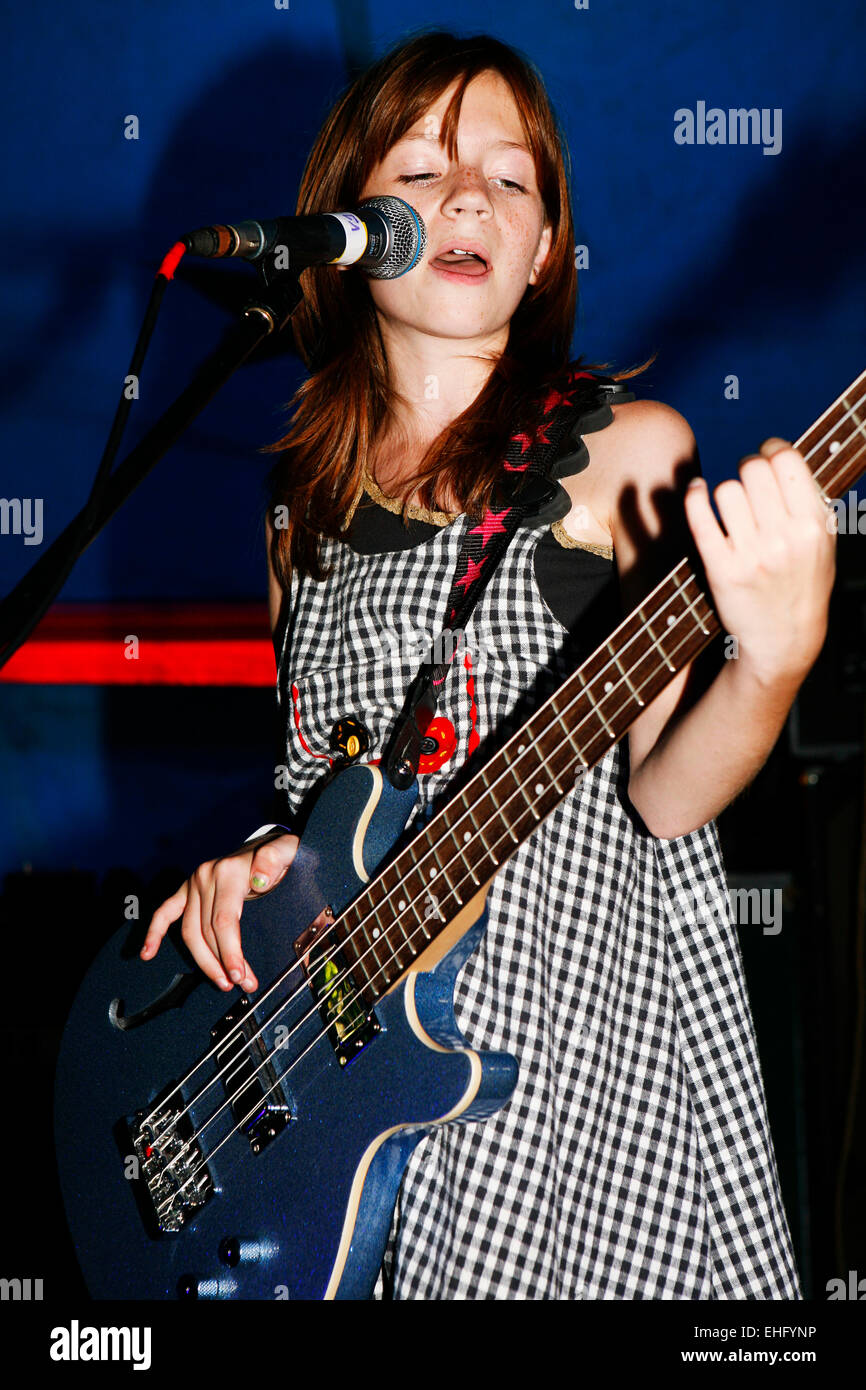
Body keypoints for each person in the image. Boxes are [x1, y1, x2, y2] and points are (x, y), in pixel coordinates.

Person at [140, 29, 835, 1298]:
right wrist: (249, 869)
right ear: (343, 226)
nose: (467, 197)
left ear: (546, 246)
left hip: (572, 1064)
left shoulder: (626, 452)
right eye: (419, 168)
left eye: (510, 181)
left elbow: (664, 795)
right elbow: (318, 806)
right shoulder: (300, 503)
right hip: (363, 1109)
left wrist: (771, 664)